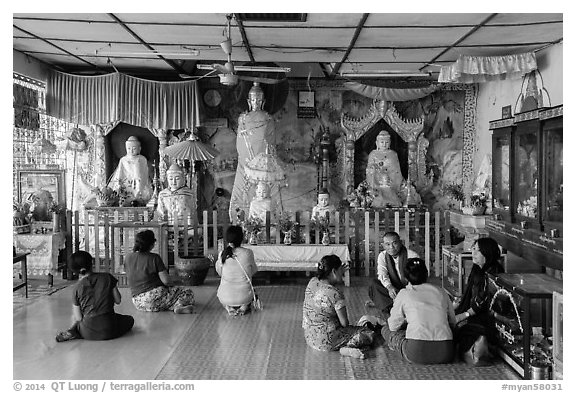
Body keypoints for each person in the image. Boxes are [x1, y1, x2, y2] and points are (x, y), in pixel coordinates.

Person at [380, 258, 456, 364]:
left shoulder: (404, 293)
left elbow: (393, 326)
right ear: (427, 274)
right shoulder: (441, 291)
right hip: (446, 352)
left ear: (405, 277)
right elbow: (452, 321)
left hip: (416, 353)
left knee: (385, 329)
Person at [302, 255, 375, 359]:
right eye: (341, 270)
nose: (343, 274)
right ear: (333, 272)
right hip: (327, 341)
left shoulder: (312, 282)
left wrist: (337, 273)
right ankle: (346, 348)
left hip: (311, 337)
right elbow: (344, 323)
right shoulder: (335, 294)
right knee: (368, 333)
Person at [55, 250, 134, 342]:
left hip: (87, 333)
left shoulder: (77, 288)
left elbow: (79, 318)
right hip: (109, 329)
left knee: (82, 320)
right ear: (91, 263)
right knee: (129, 320)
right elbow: (118, 300)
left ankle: (72, 331)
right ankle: (75, 330)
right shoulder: (107, 277)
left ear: (74, 271)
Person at [229, 82, 278, 221]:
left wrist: (267, 157)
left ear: (263, 101)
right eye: (253, 100)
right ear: (249, 101)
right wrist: (246, 159)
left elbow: (271, 141)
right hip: (246, 160)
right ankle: (241, 221)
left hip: (263, 161)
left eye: (259, 100)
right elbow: (240, 142)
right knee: (243, 194)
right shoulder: (243, 119)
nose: (256, 102)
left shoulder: (268, 118)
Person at [453, 237, 504, 366]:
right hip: (473, 314)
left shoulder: (493, 273)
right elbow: (470, 295)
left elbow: (482, 301)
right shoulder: (477, 269)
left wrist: (463, 315)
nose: (473, 253)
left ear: (488, 253)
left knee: (462, 332)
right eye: (473, 249)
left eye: (478, 251)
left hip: (486, 319)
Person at [125, 230, 195, 313]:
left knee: (167, 297)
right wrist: (176, 283)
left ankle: (172, 305)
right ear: (151, 244)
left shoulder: (128, 257)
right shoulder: (154, 258)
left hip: (138, 302)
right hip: (153, 298)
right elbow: (166, 281)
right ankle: (178, 306)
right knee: (187, 292)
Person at [368, 231, 419, 313]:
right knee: (374, 283)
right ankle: (393, 306)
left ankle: (392, 305)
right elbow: (382, 274)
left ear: (400, 243)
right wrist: (390, 287)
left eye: (394, 243)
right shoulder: (382, 256)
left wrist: (404, 293)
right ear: (383, 245)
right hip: (394, 289)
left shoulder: (412, 256)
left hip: (409, 289)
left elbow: (416, 279)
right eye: (387, 244)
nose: (391, 247)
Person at [215, 225, 258, 316]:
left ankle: (228, 307)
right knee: (249, 291)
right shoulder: (248, 253)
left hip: (225, 296)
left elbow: (220, 272)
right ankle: (244, 306)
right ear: (241, 238)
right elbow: (254, 270)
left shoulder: (222, 254)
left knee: (222, 294)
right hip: (245, 296)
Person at [365, 130, 404, 207]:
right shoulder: (373, 154)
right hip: (376, 181)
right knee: (377, 193)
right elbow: (369, 169)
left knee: (393, 193)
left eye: (386, 142)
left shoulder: (393, 154)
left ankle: (391, 201)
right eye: (382, 142)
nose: (384, 144)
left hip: (390, 181)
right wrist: (373, 170)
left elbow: (397, 171)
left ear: (390, 143)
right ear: (377, 143)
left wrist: (390, 179)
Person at [108, 136, 152, 202]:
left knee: (141, 192)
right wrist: (118, 185)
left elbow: (144, 173)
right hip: (125, 184)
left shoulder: (142, 159)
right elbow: (120, 172)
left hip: (139, 183)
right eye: (129, 148)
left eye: (134, 148)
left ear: (139, 149)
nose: (131, 151)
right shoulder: (123, 160)